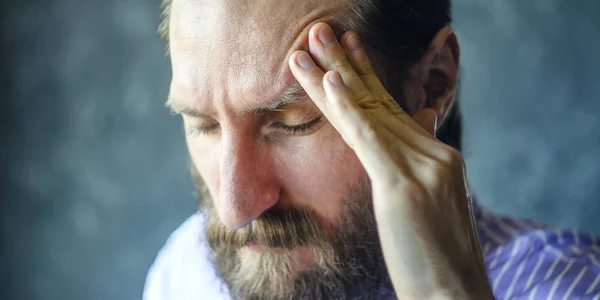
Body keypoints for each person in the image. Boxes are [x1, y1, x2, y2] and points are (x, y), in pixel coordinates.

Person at [143, 0, 600, 299]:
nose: (235, 209)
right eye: (203, 124)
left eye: (293, 122)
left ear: (433, 84)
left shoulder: (569, 287)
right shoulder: (184, 272)